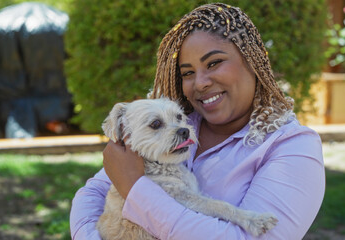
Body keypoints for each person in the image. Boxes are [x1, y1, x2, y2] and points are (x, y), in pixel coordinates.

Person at [70, 3, 325, 239]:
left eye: (214, 63)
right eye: (188, 73)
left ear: (252, 62)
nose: (200, 83)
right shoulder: (174, 125)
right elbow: (91, 195)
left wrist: (135, 190)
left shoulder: (293, 148)